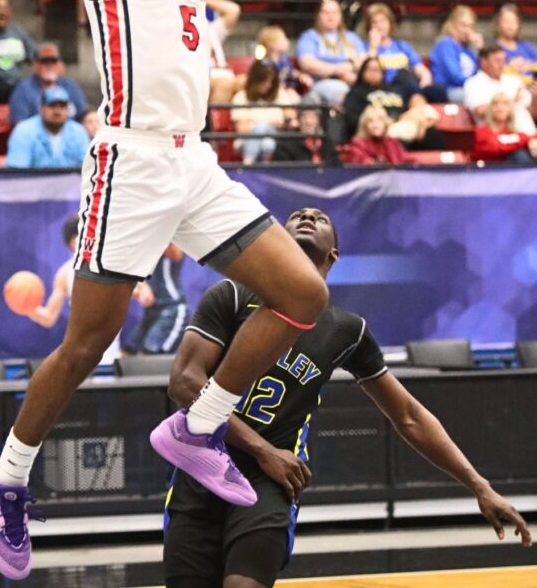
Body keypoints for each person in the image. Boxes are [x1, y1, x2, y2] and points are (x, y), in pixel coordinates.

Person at [0, 0, 332, 581]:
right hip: (130, 163)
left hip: (193, 163)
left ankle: (198, 428)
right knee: (86, 345)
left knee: (303, 295)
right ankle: (4, 481)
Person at [162, 206, 532, 588]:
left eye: (320, 218)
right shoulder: (232, 295)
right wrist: (261, 449)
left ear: (333, 255)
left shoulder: (346, 330)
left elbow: (408, 415)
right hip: (201, 464)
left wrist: (478, 484)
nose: (307, 216)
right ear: (278, 239)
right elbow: (185, 383)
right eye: (297, 215)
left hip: (270, 480)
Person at [17, 214, 123, 369]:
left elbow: (142, 294)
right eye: (92, 233)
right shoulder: (65, 273)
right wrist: (27, 307)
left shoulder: (112, 265)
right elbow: (48, 317)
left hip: (112, 358)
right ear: (75, 242)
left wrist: (140, 290)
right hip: (83, 359)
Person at [342, 56, 444, 150]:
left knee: (433, 135)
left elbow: (411, 107)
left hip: (402, 124)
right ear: (362, 72)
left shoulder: (395, 90)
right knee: (395, 138)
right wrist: (380, 124)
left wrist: (420, 124)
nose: (374, 73)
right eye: (370, 70)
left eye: (377, 70)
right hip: (378, 129)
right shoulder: (356, 92)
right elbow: (353, 118)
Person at [363, 2, 445, 100]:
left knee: (439, 91)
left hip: (411, 86)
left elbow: (421, 70)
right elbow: (366, 74)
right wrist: (373, 47)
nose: (379, 26)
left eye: (383, 21)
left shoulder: (401, 46)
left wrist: (424, 81)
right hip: (388, 88)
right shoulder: (366, 47)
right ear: (369, 26)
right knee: (404, 77)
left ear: (390, 23)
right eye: (374, 22)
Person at [296, 0, 366, 106]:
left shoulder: (352, 37)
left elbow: (364, 62)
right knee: (345, 97)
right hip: (322, 83)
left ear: (340, 16)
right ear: (319, 15)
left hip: (353, 84)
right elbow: (307, 63)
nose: (330, 16)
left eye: (334, 12)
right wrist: (340, 71)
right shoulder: (309, 37)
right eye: (326, 12)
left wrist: (332, 69)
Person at [123, 244, 189, 355]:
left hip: (171, 309)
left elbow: (176, 255)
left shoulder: (168, 245)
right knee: (128, 351)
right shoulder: (140, 249)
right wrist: (141, 287)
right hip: (151, 311)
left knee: (149, 355)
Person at [230, 59, 300, 165]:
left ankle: (248, 163)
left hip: (276, 134)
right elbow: (242, 128)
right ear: (255, 80)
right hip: (248, 139)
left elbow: (290, 116)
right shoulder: (241, 97)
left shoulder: (279, 94)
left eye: (271, 81)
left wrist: (281, 123)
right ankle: (259, 167)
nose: (268, 85)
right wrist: (267, 124)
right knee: (267, 143)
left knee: (267, 138)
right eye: (265, 81)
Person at [5, 86, 91, 169]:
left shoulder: (79, 132)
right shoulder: (23, 131)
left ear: (68, 109)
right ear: (41, 108)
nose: (57, 111)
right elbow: (16, 174)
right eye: (52, 106)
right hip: (34, 183)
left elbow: (88, 170)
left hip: (72, 183)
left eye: (62, 106)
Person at [8, 43, 88, 125]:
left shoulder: (70, 86)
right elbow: (19, 125)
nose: (49, 66)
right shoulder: (23, 89)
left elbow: (84, 115)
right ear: (35, 66)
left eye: (53, 62)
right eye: (44, 62)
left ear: (60, 66)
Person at [463, 45, 535, 135]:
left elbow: (533, 111)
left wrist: (535, 97)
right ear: (483, 62)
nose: (502, 65)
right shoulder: (473, 84)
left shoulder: (514, 80)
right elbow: (480, 112)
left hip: (529, 136)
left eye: (504, 61)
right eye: (497, 61)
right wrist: (511, 101)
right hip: (498, 138)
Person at [429, 5, 483, 104]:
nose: (466, 30)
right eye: (463, 25)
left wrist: (479, 51)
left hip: (468, 88)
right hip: (450, 90)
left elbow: (479, 73)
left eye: (470, 26)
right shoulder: (445, 44)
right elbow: (454, 76)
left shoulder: (468, 49)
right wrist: (476, 85)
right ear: (452, 24)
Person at [472, 92, 537, 165]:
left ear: (510, 109)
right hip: (486, 170)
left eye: (505, 104)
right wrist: (526, 141)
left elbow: (526, 137)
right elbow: (496, 148)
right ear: (490, 109)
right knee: (520, 155)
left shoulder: (512, 131)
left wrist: (532, 141)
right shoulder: (482, 131)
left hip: (509, 171)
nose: (500, 108)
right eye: (496, 104)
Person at [343, 105, 414, 165]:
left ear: (385, 123)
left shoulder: (392, 142)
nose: (376, 125)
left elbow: (406, 160)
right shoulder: (358, 143)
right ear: (365, 125)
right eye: (370, 121)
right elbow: (362, 162)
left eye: (380, 120)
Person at [494, 3, 537, 89]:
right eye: (506, 21)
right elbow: (494, 73)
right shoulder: (494, 48)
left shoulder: (526, 46)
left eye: (514, 21)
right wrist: (511, 69)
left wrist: (529, 66)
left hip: (532, 87)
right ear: (498, 23)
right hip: (509, 90)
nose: (510, 26)